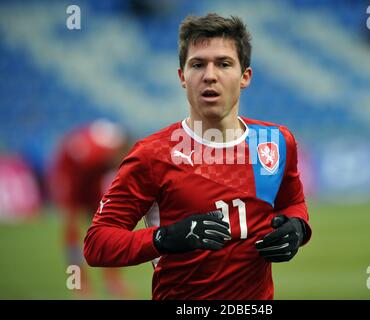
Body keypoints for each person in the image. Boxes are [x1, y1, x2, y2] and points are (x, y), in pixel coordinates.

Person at [84, 13, 312, 300]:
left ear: (245, 77)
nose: (210, 75)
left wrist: (298, 228)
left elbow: (292, 202)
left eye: (224, 63)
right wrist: (163, 238)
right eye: (198, 64)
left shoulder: (276, 141)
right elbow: (97, 243)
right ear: (182, 76)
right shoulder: (151, 156)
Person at [48, 119, 131, 298]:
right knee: (72, 229)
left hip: (92, 178)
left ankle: (112, 280)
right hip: (70, 174)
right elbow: (71, 151)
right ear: (117, 151)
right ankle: (78, 282)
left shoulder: (111, 152)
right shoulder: (91, 154)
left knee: (108, 226)